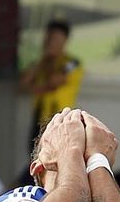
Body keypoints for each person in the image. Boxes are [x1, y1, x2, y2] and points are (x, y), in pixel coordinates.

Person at [19, 19, 82, 151]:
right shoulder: (40, 64)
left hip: (60, 120)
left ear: (64, 41)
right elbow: (23, 84)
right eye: (48, 38)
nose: (50, 42)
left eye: (55, 39)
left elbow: (55, 80)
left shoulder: (72, 63)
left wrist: (37, 88)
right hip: (39, 120)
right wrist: (42, 61)